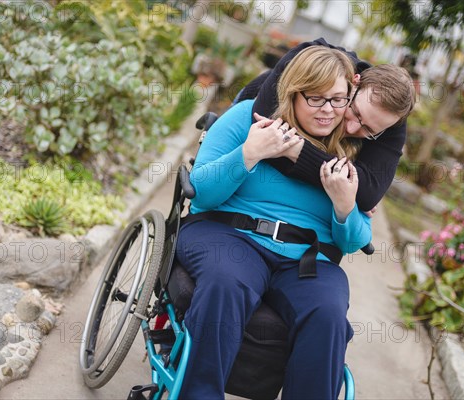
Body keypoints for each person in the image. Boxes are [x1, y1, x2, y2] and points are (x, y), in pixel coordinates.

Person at [175, 45, 376, 400]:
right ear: (293, 91)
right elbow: (201, 193)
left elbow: (355, 241)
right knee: (227, 280)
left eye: (338, 99)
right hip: (229, 232)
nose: (328, 110)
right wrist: (249, 154)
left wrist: (345, 209)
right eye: (316, 98)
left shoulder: (349, 149)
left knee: (328, 312)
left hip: (305, 257)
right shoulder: (246, 118)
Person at [237, 38, 416, 212]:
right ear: (354, 83)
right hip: (247, 103)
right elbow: (265, 135)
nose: (352, 128)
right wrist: (341, 185)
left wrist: (296, 150)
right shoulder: (308, 55)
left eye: (369, 130)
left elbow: (367, 194)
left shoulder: (392, 118)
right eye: (356, 112)